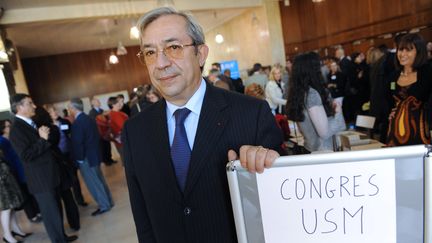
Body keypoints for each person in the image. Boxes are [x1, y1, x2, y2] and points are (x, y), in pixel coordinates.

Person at [123, 7, 282, 243]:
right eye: (150, 52)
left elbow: (280, 202)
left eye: (173, 47)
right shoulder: (135, 131)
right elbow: (143, 218)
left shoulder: (252, 113)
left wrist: (265, 167)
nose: (161, 63)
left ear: (200, 53)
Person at [9, 94, 78, 243]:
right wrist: (42, 140)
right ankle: (58, 240)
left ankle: (62, 237)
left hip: (50, 176)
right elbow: (26, 155)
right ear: (19, 107)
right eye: (30, 103)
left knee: (56, 210)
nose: (34, 106)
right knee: (50, 214)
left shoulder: (30, 123)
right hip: (41, 180)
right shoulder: (16, 129)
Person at [286, 52, 346, 153]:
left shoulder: (299, 92)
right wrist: (338, 111)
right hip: (321, 152)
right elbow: (324, 133)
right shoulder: (311, 94)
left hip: (310, 148)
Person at [33, 106, 80, 232]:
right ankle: (75, 224)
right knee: (67, 197)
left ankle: (65, 228)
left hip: (54, 168)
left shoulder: (40, 131)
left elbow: (48, 145)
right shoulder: (52, 128)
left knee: (59, 201)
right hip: (59, 165)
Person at [68, 98, 114, 216]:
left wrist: (78, 159)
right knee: (100, 180)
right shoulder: (88, 118)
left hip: (86, 158)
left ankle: (104, 205)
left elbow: (78, 143)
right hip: (94, 154)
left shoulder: (78, 122)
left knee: (94, 182)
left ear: (73, 108)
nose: (69, 110)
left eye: (69, 107)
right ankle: (109, 201)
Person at [386, 33, 432, 146]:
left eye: (409, 50)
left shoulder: (428, 72)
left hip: (421, 133)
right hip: (394, 133)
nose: (403, 54)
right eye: (401, 50)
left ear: (419, 52)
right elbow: (387, 99)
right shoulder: (393, 76)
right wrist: (389, 112)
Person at [45, 105, 88, 207]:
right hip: (58, 157)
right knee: (65, 181)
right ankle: (68, 203)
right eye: (51, 112)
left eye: (55, 110)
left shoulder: (64, 122)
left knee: (75, 178)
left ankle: (80, 200)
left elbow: (71, 135)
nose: (55, 113)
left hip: (69, 154)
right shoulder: (47, 127)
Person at [0, 120, 42, 224]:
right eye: (8, 126)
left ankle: (38, 212)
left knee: (30, 190)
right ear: (3, 129)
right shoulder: (2, 141)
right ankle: (32, 216)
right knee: (25, 195)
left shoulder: (11, 138)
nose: (10, 128)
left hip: (22, 168)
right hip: (14, 171)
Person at [0, 149, 29, 243]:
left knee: (11, 208)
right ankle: (7, 235)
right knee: (6, 209)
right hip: (2, 184)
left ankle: (16, 230)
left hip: (6, 181)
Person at [88, 97, 117, 166]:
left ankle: (110, 159)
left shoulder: (102, 110)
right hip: (99, 133)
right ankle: (106, 160)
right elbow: (95, 122)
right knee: (103, 147)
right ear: (93, 103)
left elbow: (107, 119)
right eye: (97, 101)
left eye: (98, 101)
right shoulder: (91, 112)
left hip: (106, 132)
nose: (99, 102)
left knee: (108, 146)